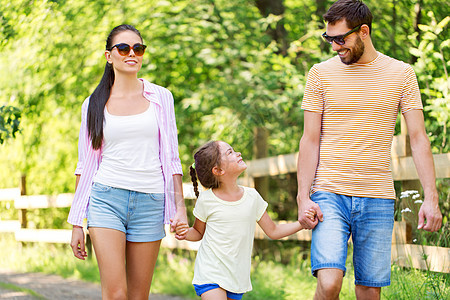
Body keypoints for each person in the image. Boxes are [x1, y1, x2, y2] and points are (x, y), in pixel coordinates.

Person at [296, 1, 443, 299]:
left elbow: (418, 138)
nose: (335, 47)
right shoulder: (319, 74)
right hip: (329, 191)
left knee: (368, 291)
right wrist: (302, 196)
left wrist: (431, 197)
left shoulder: (402, 73)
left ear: (363, 31)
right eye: (329, 39)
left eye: (341, 39)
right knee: (329, 282)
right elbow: (309, 139)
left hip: (377, 196)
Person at [67, 24, 187, 299]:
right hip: (106, 199)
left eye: (138, 48)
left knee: (137, 295)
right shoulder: (93, 104)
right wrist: (77, 223)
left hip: (151, 202)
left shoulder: (161, 97)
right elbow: (85, 166)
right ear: (109, 56)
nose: (131, 53)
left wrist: (179, 209)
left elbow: (171, 159)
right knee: (116, 294)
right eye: (123, 48)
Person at [173, 140, 315, 300]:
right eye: (230, 152)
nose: (238, 153)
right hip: (210, 272)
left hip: (236, 277)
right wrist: (184, 233)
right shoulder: (207, 200)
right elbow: (198, 232)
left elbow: (273, 231)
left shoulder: (252, 197)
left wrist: (301, 224)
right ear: (218, 170)